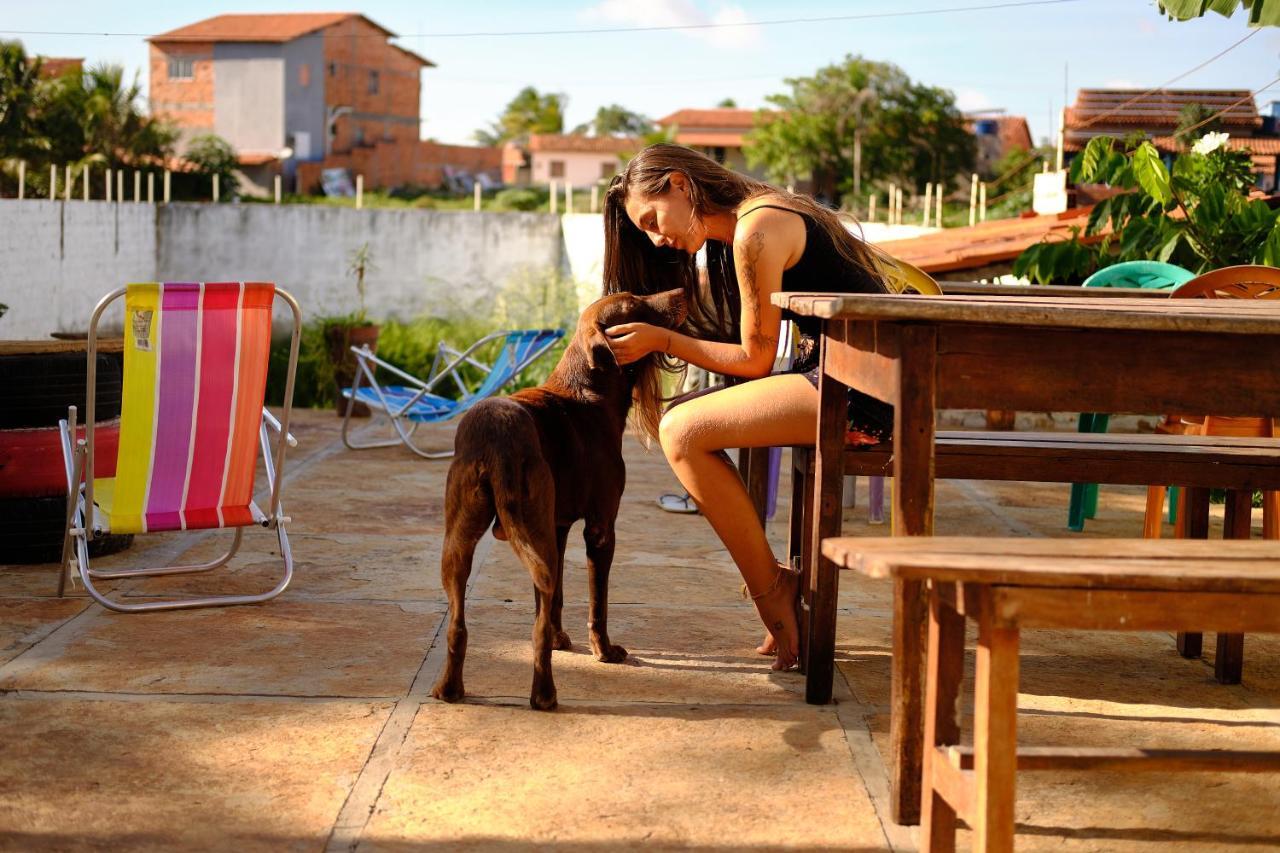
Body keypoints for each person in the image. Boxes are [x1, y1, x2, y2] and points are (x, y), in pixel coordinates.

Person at [601, 144, 891, 671]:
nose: (655, 237)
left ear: (680, 185)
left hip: (864, 395)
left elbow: (754, 360)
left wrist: (660, 340)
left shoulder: (757, 229)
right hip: (846, 378)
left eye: (651, 218)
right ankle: (774, 584)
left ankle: (773, 591)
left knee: (682, 431)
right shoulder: (754, 218)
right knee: (688, 423)